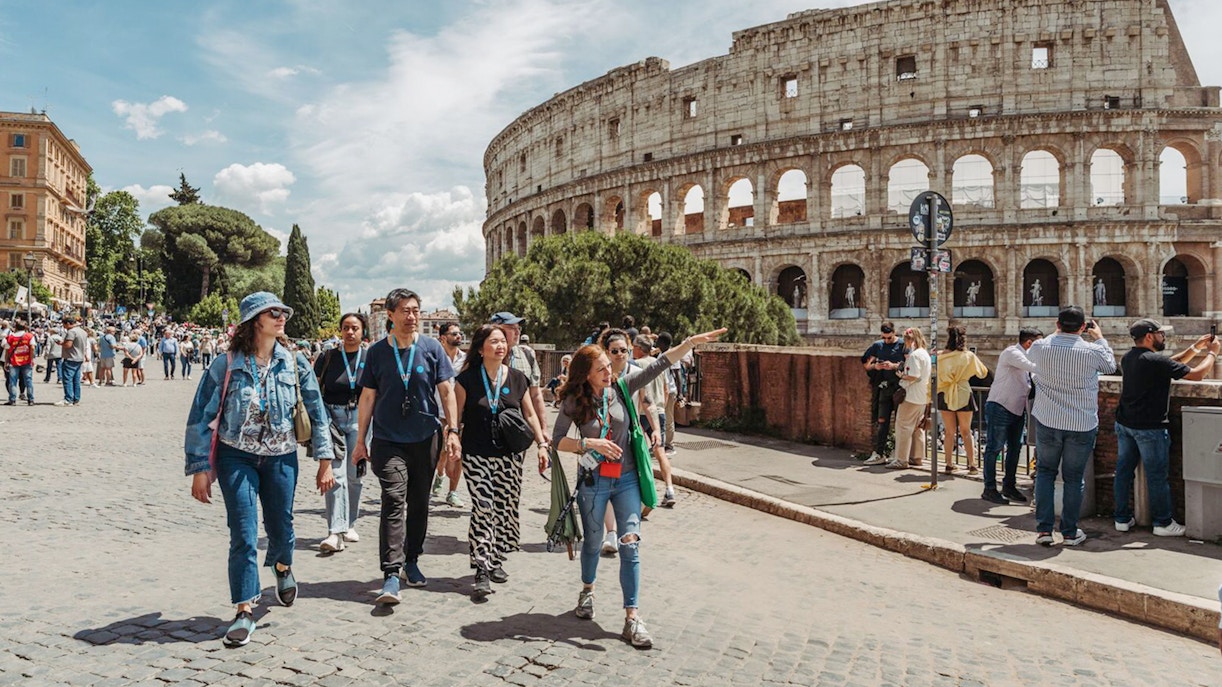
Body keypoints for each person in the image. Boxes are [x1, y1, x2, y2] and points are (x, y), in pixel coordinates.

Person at [552, 327, 725, 648]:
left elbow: (658, 366)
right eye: (601, 368)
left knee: (630, 542)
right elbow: (556, 440)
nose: (609, 371)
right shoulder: (574, 401)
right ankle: (587, 590)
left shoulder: (621, 387)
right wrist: (588, 443)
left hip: (627, 477)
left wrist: (687, 344)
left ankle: (632, 618)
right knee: (592, 542)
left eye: (609, 365)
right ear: (586, 374)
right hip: (593, 480)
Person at [183, 291, 335, 647]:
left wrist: (325, 460)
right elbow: (200, 416)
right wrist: (199, 467)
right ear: (254, 321)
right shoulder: (226, 364)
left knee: (281, 526)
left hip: (281, 456)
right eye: (273, 312)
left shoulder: (295, 362)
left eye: (283, 311)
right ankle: (244, 609)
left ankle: (282, 566)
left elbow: (317, 411)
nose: (281, 317)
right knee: (244, 532)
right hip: (237, 456)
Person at [351, 288, 461, 605]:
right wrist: (361, 441)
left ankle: (412, 558)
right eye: (405, 311)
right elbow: (368, 397)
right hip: (387, 440)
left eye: (415, 310)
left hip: (426, 438)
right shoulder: (376, 353)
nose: (412, 316)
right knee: (394, 498)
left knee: (419, 502)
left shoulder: (431, 349)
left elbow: (447, 391)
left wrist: (452, 431)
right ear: (391, 315)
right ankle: (390, 572)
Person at [454, 324, 550, 599]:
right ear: (481, 347)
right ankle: (482, 568)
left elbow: (529, 414)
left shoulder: (518, 378)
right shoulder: (467, 380)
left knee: (503, 506)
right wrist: (452, 442)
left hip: (510, 455)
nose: (500, 346)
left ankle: (494, 556)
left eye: (503, 341)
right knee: (483, 507)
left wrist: (541, 444)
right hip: (476, 453)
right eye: (494, 341)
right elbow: (457, 416)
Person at [1113, 319, 1218, 537]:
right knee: (1157, 477)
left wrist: (1196, 347)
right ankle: (1162, 523)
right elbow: (1197, 375)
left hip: (1125, 424)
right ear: (1150, 336)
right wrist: (1213, 353)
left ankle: (1121, 519)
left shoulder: (1130, 357)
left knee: (1123, 473)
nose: (1164, 337)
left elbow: (1169, 364)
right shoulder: (1154, 361)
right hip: (1150, 428)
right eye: (1161, 333)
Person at [1027, 306, 1116, 547]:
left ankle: (1044, 531)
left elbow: (1033, 358)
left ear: (1057, 324)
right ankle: (1069, 531)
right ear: (1082, 327)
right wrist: (1099, 337)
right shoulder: (1091, 351)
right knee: (1074, 478)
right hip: (1081, 422)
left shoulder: (1040, 346)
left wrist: (1056, 334)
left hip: (1048, 420)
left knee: (1045, 473)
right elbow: (1111, 366)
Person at [314, 313, 370, 553]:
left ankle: (349, 524)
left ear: (362, 332)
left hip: (360, 418)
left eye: (354, 328)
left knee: (354, 475)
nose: (350, 332)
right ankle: (334, 532)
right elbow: (314, 388)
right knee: (335, 474)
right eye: (345, 328)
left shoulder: (370, 358)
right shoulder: (327, 357)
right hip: (332, 418)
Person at [979, 328, 1042, 504]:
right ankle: (989, 488)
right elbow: (1033, 367)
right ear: (1030, 343)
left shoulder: (1025, 355)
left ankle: (1009, 486)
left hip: (1017, 409)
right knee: (994, 447)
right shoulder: (1012, 353)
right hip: (1000, 406)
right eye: (1040, 344)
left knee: (1015, 448)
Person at [934, 326, 988, 474]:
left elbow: (932, 371)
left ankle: (949, 463)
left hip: (945, 393)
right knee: (966, 431)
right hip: (963, 392)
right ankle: (972, 464)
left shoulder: (940, 356)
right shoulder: (968, 355)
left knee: (949, 431)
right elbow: (983, 373)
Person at [632, 335, 677, 506]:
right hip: (658, 411)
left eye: (633, 346)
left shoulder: (635, 365)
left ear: (639, 348)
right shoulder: (659, 364)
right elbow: (666, 389)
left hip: (641, 413)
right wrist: (661, 408)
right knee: (660, 452)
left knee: (638, 452)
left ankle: (643, 492)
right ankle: (669, 489)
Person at [490, 312, 548, 433]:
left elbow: (535, 394)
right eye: (512, 328)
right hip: (489, 429)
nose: (517, 332)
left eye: (518, 328)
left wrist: (543, 428)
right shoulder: (483, 357)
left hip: (519, 429)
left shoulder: (527, 355)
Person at [861, 323, 906, 465]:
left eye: (889, 337)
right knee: (882, 422)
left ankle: (897, 453)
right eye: (884, 338)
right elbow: (866, 364)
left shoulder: (903, 345)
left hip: (900, 389)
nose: (886, 340)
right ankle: (879, 453)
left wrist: (894, 366)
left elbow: (910, 363)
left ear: (894, 333)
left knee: (900, 422)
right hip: (883, 388)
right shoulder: (877, 345)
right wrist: (876, 366)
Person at [433, 321, 467, 506]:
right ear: (443, 338)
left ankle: (452, 492)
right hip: (437, 412)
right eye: (454, 334)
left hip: (459, 414)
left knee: (456, 453)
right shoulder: (434, 357)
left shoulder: (466, 360)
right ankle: (439, 474)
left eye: (459, 333)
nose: (459, 336)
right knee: (441, 453)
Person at [888, 327, 930, 469]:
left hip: (911, 396)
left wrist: (901, 376)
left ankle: (901, 459)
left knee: (903, 426)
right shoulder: (925, 354)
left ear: (910, 340)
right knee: (917, 427)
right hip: (922, 396)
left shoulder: (914, 356)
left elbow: (914, 375)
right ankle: (917, 456)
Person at [57, 317, 88, 407]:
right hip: (79, 357)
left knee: (67, 379)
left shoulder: (71, 332)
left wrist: (61, 343)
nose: (64, 326)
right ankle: (76, 398)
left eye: (64, 324)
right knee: (76, 380)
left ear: (68, 323)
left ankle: (68, 399)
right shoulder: (83, 331)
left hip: (71, 357)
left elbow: (68, 345)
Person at [4, 320, 35, 406]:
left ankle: (12, 399)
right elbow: (32, 348)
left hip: (14, 362)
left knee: (12, 381)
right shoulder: (29, 336)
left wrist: (6, 361)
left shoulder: (10, 337)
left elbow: (7, 350)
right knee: (28, 381)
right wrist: (31, 359)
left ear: (16, 327)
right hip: (26, 361)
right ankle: (30, 399)